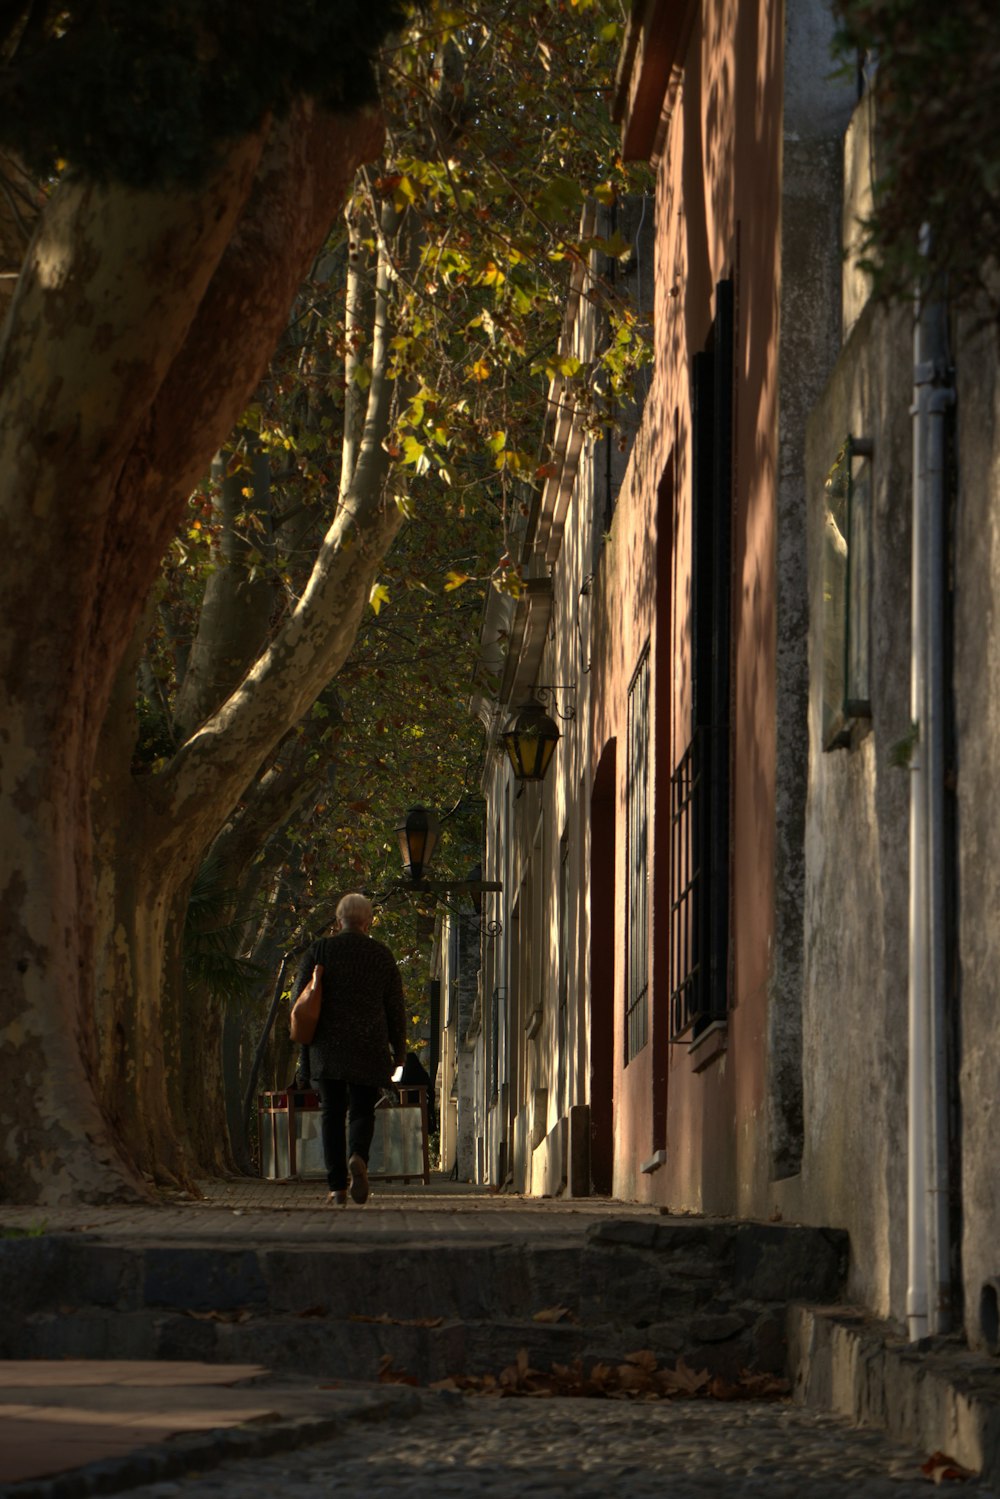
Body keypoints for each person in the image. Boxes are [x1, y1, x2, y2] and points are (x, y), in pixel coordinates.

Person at [291, 893, 406, 1206]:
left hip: (326, 1048)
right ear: (367, 921)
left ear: (337, 918)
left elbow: (299, 1002)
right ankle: (358, 1155)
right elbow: (395, 1006)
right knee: (362, 1110)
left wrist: (304, 1054)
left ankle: (338, 1187)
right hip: (369, 1045)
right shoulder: (380, 955)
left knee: (331, 1113)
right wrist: (400, 1049)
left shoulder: (320, 950)